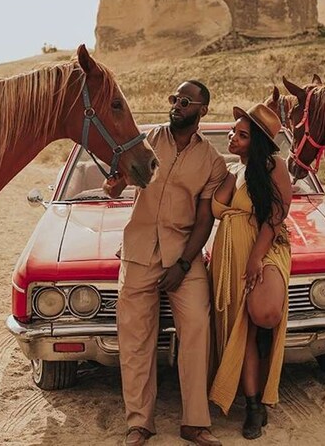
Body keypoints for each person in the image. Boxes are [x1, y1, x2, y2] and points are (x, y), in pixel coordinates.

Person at [105, 80, 228, 446]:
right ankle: (139, 423)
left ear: (202, 110)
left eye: (186, 101)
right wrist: (114, 186)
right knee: (135, 339)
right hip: (138, 251)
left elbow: (205, 218)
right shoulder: (144, 142)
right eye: (174, 98)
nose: (176, 105)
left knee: (196, 334)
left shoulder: (213, 162)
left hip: (183, 258)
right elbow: (119, 182)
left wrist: (185, 265)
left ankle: (194, 423)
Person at [207, 103, 293, 440]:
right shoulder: (234, 172)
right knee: (240, 329)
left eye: (242, 135)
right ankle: (253, 407)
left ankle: (265, 369)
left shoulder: (275, 166)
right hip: (230, 254)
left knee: (265, 314)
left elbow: (275, 217)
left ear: (256, 142)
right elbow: (215, 208)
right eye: (233, 131)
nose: (232, 137)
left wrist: (257, 258)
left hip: (264, 249)